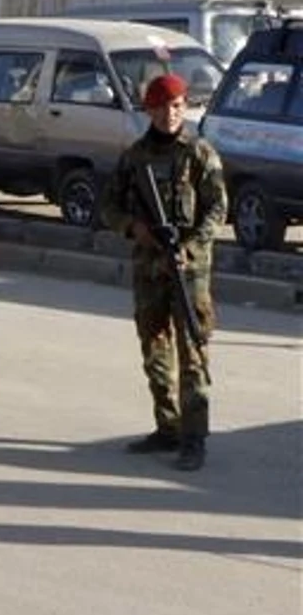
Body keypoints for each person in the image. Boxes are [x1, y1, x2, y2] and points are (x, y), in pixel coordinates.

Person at [97, 74, 226, 472]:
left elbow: (217, 210)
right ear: (149, 110)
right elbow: (109, 207)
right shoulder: (134, 157)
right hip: (149, 267)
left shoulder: (200, 153)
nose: (169, 114)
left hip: (190, 272)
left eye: (176, 106)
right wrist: (136, 229)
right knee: (154, 348)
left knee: (192, 353)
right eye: (161, 107)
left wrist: (189, 248)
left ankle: (194, 437)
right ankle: (166, 426)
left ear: (184, 106)